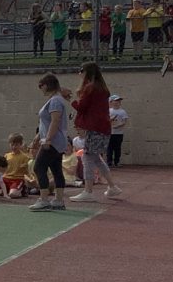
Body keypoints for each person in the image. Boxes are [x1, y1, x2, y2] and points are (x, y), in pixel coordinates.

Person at [69, 62, 122, 202]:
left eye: (81, 70)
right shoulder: (101, 88)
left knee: (87, 157)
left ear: (87, 72)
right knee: (95, 157)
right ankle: (112, 186)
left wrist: (71, 101)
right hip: (103, 128)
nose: (79, 73)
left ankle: (88, 191)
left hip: (95, 128)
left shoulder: (90, 87)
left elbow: (82, 107)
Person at [30, 73, 70, 212]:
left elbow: (55, 121)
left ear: (46, 85)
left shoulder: (55, 101)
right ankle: (58, 200)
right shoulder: (55, 99)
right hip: (56, 141)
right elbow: (45, 123)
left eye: (41, 85)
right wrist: (37, 137)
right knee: (56, 169)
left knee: (38, 167)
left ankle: (44, 200)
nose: (40, 88)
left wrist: (47, 139)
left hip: (53, 141)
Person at [2, 133, 29, 198]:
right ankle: (8, 190)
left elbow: (27, 171)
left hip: (17, 179)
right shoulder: (6, 156)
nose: (14, 147)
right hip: (5, 178)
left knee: (12, 195)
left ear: (21, 144)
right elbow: (2, 169)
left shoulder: (25, 157)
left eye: (16, 145)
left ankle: (22, 189)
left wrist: (24, 167)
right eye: (12, 145)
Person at [107, 94, 128, 168]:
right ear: (111, 102)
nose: (117, 102)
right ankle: (109, 162)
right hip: (109, 133)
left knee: (117, 148)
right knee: (109, 148)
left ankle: (117, 161)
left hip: (119, 133)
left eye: (119, 101)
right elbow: (105, 121)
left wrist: (118, 126)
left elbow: (124, 122)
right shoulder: (108, 111)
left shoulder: (122, 112)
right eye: (115, 101)